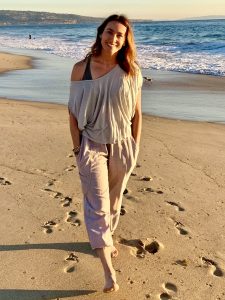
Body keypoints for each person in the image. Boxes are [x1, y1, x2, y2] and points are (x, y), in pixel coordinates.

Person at [68, 14, 143, 293]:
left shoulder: (131, 71)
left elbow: (137, 114)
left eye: (120, 35)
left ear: (125, 41)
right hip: (91, 145)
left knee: (114, 200)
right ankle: (108, 272)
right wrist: (78, 148)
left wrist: (134, 146)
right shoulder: (81, 69)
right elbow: (72, 114)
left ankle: (104, 239)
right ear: (101, 34)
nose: (114, 38)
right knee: (97, 203)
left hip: (123, 145)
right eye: (110, 32)